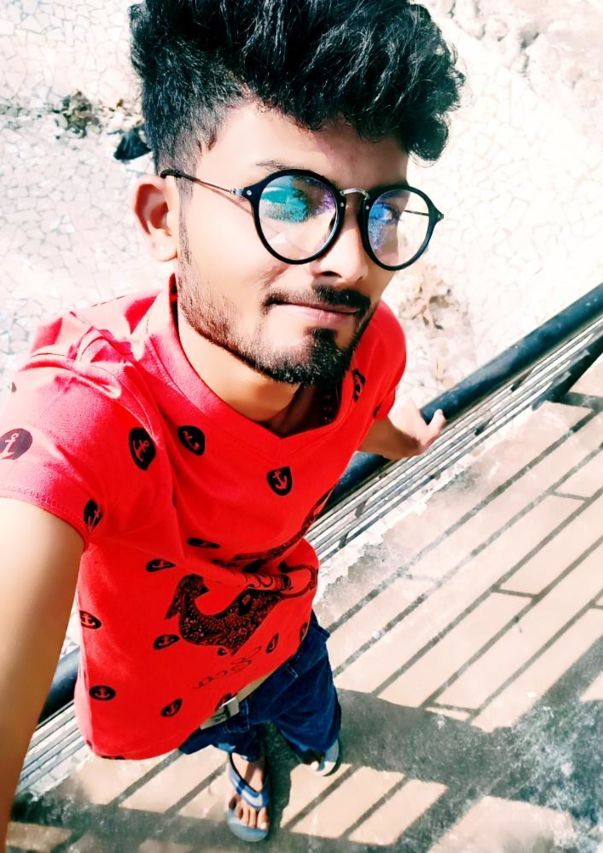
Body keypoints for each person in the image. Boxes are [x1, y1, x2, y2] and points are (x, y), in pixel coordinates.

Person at [0, 0, 463, 844]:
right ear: (162, 221)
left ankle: (295, 738)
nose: (351, 263)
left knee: (312, 714)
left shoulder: (366, 345)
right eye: (290, 200)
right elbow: (32, 499)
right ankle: (246, 749)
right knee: (225, 728)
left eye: (383, 212)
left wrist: (403, 439)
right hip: (169, 683)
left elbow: (356, 412)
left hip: (285, 630)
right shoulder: (85, 413)